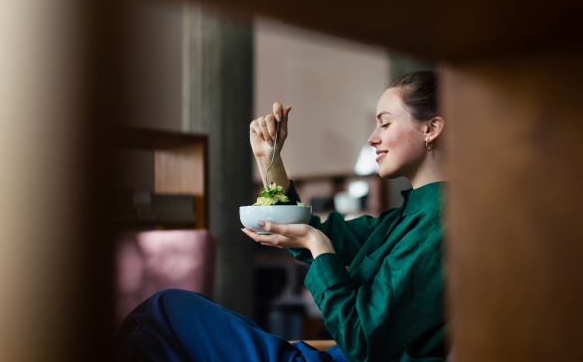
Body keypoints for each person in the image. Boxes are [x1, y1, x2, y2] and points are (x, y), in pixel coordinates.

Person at [117, 70, 448, 362]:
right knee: (152, 337)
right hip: (325, 355)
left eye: (385, 123)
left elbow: (361, 340)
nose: (372, 137)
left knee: (165, 309)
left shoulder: (437, 224)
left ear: (431, 129)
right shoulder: (405, 217)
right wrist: (268, 157)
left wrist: (318, 245)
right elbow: (301, 229)